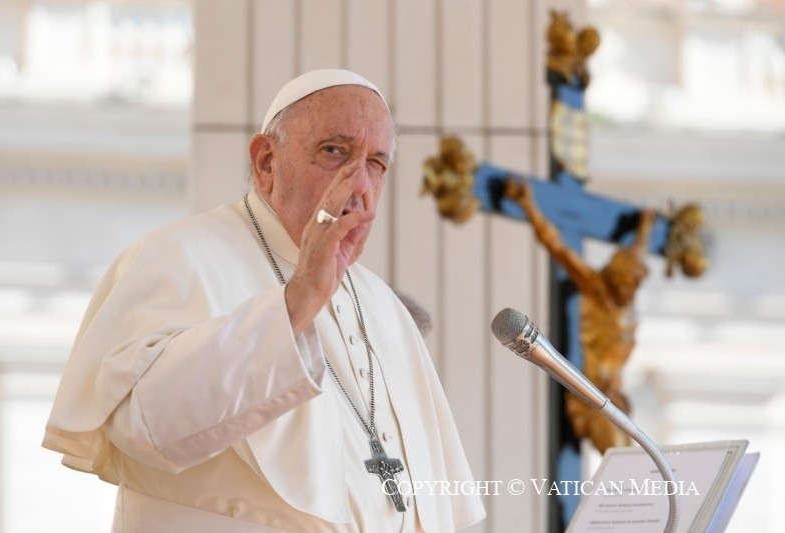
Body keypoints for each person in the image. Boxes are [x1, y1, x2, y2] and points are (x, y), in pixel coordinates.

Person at [43, 69, 486, 532]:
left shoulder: (384, 308)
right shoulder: (177, 257)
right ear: (267, 162)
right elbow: (140, 424)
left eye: (376, 164)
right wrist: (295, 303)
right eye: (335, 151)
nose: (358, 186)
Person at [505, 177, 654, 454]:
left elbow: (638, 253)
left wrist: (646, 226)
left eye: (635, 285)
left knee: (633, 457)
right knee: (619, 460)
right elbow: (557, 247)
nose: (631, 290)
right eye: (627, 283)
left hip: (615, 394)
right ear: (615, 277)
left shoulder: (627, 299)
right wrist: (528, 205)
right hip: (590, 394)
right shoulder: (596, 288)